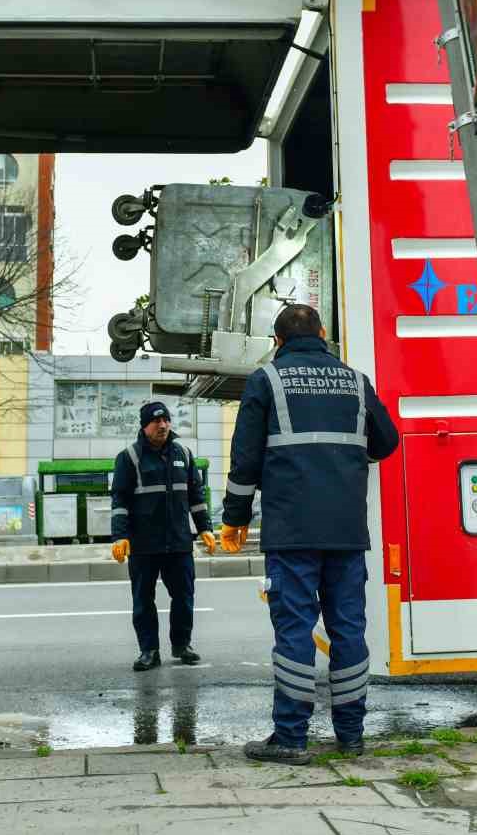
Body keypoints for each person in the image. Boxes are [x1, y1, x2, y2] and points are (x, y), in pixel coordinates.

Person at [221, 303, 400, 764]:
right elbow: (387, 442)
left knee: (295, 629)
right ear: (323, 334)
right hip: (345, 531)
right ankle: (351, 735)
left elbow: (245, 460)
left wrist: (235, 517)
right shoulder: (356, 382)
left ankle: (292, 738)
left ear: (277, 341)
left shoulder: (267, 381)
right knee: (349, 629)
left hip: (291, 530)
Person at [110, 401, 218, 671]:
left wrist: (205, 528)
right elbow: (119, 500)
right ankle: (149, 651)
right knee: (143, 599)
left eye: (166, 420)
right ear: (144, 426)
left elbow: (196, 495)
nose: (162, 425)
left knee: (184, 596)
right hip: (144, 544)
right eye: (155, 421)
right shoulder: (129, 457)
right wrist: (119, 537)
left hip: (179, 542)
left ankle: (182, 645)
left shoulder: (184, 453)